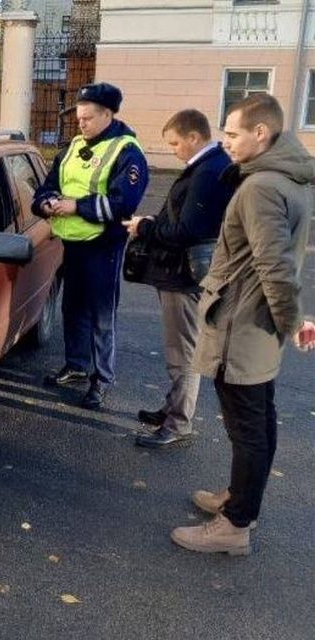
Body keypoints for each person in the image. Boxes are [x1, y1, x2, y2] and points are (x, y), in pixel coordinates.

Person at [170, 94, 315, 555]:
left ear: (260, 133)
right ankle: (239, 498)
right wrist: (290, 317)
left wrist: (291, 319)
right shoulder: (286, 178)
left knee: (248, 425)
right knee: (258, 420)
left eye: (232, 133)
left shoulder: (261, 187)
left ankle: (236, 524)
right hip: (256, 322)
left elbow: (273, 264)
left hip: (242, 323)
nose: (225, 142)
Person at [33, 82, 149, 409]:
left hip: (104, 246)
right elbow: (47, 187)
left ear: (108, 115)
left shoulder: (127, 152)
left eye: (87, 118)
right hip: (72, 243)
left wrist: (75, 206)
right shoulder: (73, 146)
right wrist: (47, 203)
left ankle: (102, 379)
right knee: (73, 307)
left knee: (101, 316)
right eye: (78, 118)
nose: (80, 124)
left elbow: (121, 205)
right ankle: (76, 364)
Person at [123, 110, 234, 449]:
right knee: (180, 349)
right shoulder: (209, 166)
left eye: (174, 143)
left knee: (182, 353)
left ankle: (178, 422)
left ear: (193, 138)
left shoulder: (207, 171)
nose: (172, 149)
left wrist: (145, 227)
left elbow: (188, 230)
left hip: (184, 276)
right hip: (182, 273)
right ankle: (173, 409)